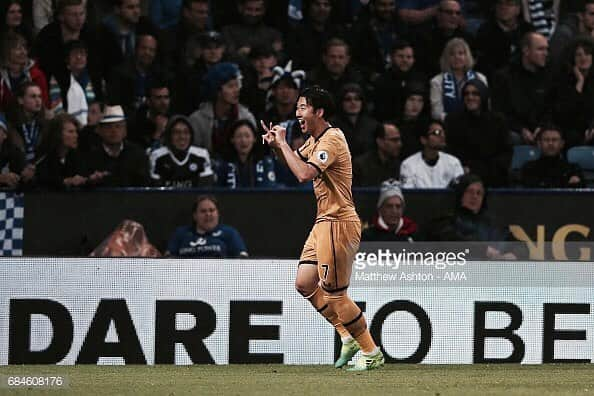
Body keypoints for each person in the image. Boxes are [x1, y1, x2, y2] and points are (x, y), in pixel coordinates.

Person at [262, 85, 384, 371]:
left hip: (339, 222)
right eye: (297, 108)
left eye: (303, 108)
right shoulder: (314, 141)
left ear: (319, 111)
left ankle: (371, 351)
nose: (298, 114)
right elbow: (296, 165)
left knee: (336, 294)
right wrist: (278, 147)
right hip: (323, 222)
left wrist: (283, 144)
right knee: (304, 283)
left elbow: (304, 174)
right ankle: (346, 335)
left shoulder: (332, 140)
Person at [422, 173, 518, 260]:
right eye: (470, 192)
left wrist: (514, 254)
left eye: (479, 193)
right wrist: (483, 250)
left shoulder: (492, 224)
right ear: (461, 194)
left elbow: (520, 246)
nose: (474, 196)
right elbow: (452, 241)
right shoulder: (447, 221)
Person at [445, 79, 512, 187]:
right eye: (466, 93)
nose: (470, 97)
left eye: (475, 93)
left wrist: (476, 169)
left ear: (483, 96)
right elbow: (450, 153)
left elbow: (505, 155)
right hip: (462, 177)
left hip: (492, 177)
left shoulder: (498, 120)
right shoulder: (453, 120)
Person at [83, 105, 151, 187]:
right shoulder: (91, 157)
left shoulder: (138, 155)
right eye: (108, 127)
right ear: (100, 131)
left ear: (125, 131)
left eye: (118, 126)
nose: (114, 131)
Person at [167, 195, 248, 258]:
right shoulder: (180, 234)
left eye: (212, 210)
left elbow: (242, 260)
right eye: (203, 211)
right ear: (195, 216)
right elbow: (168, 259)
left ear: (217, 213)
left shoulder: (229, 233)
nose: (208, 214)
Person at [430, 38, 488, 122]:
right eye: (452, 54)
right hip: (450, 125)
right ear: (446, 58)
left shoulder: (480, 78)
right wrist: (456, 121)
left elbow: (486, 107)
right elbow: (436, 113)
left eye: (461, 53)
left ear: (467, 56)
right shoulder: (437, 81)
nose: (457, 57)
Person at [149, 115, 214, 187]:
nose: (182, 137)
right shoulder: (158, 156)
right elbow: (155, 191)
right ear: (169, 135)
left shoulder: (201, 155)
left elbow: (206, 189)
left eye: (186, 132)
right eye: (177, 132)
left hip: (194, 198)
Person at [400, 119, 464, 188]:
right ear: (423, 140)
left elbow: (461, 190)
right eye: (437, 133)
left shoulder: (454, 162)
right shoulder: (408, 165)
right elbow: (408, 195)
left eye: (443, 132)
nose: (442, 136)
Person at [214, 119, 276, 188]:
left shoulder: (265, 162)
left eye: (247, 136)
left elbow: (269, 190)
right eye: (239, 136)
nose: (243, 140)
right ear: (232, 139)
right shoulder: (223, 163)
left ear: (254, 139)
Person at [520, 126, 584, 188]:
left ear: (562, 144)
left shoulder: (573, 169)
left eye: (555, 140)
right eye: (546, 140)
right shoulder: (529, 168)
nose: (550, 143)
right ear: (539, 144)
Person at [35, 113, 86, 189]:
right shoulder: (44, 158)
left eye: (76, 131)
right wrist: (65, 182)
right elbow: (43, 180)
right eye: (70, 132)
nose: (76, 135)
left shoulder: (77, 156)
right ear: (58, 134)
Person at [353, 121, 402, 186]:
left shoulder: (398, 165)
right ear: (380, 142)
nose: (399, 144)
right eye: (394, 140)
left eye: (399, 140)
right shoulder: (360, 165)